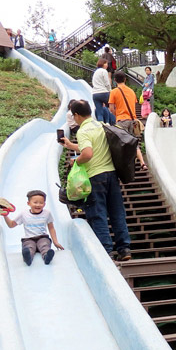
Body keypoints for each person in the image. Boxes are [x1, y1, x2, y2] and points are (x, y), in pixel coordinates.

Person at [59, 100, 132, 261]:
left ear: (77, 115)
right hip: (111, 175)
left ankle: (106, 252)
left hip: (95, 177)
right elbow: (92, 147)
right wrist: (71, 146)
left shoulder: (83, 131)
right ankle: (124, 249)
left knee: (97, 214)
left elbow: (88, 154)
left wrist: (75, 161)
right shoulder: (101, 125)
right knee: (117, 212)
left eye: (73, 115)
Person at [0, 190, 64, 266]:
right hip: (28, 238)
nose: (38, 205)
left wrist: (55, 242)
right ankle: (27, 258)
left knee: (44, 245)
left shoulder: (47, 213)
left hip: (42, 237)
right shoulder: (24, 214)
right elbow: (11, 225)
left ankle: (47, 257)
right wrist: (5, 215)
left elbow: (51, 228)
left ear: (44, 204)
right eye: (35, 202)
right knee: (29, 247)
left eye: (41, 203)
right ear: (28, 203)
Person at [108, 70, 147, 171]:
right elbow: (133, 104)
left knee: (122, 144)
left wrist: (118, 115)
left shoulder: (114, 92)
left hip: (122, 120)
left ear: (115, 80)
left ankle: (125, 166)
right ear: (125, 79)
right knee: (133, 143)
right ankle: (142, 163)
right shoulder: (131, 91)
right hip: (133, 121)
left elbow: (111, 109)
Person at [91, 58, 115, 125]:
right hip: (103, 92)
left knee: (99, 112)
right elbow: (107, 83)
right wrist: (110, 91)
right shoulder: (104, 71)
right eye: (106, 63)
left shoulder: (95, 72)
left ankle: (101, 125)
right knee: (112, 108)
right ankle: (114, 123)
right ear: (102, 64)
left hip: (95, 94)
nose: (107, 65)